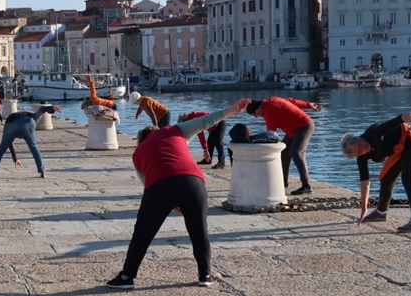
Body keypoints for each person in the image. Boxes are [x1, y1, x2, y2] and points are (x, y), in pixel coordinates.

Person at [106, 98, 251, 290]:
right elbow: (206, 121)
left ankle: (126, 277)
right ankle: (205, 275)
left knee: (142, 233)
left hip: (159, 186)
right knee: (199, 231)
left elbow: (147, 183)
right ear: (157, 131)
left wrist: (171, 203)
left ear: (141, 140)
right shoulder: (175, 130)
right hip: (194, 183)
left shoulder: (138, 152)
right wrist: (232, 110)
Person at [340, 102, 411, 232]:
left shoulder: (374, 132)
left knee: (408, 178)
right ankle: (381, 212)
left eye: (359, 144)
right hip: (397, 151)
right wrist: (364, 209)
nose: (362, 148)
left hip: (410, 140)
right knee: (386, 179)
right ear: (356, 155)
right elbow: (365, 183)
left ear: (357, 138)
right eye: (359, 151)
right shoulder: (362, 158)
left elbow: (397, 120)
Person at [245, 97, 321, 195]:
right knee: (284, 153)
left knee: (296, 153)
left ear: (258, 109)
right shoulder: (272, 100)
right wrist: (308, 104)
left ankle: (306, 186)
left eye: (254, 114)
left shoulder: (269, 111)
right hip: (294, 130)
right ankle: (283, 183)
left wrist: (255, 141)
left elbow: (270, 134)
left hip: (304, 126)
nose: (256, 117)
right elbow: (291, 101)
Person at [0, 105, 62, 179]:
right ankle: (42, 171)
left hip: (11, 123)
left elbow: (9, 143)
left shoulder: (17, 116)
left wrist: (15, 158)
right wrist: (54, 108)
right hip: (28, 123)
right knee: (33, 146)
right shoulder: (34, 116)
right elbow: (42, 108)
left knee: (2, 148)